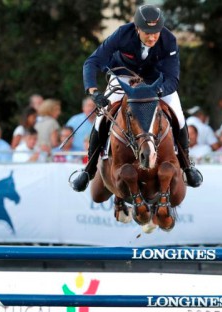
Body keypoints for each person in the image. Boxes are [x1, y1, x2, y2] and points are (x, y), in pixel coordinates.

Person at [69, 4, 202, 191]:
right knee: (101, 117)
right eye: (147, 32)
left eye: (156, 31)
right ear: (137, 28)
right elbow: (93, 61)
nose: (152, 36)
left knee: (179, 116)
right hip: (124, 77)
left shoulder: (169, 40)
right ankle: (89, 170)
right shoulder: (123, 34)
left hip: (157, 83)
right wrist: (94, 92)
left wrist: (157, 92)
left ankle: (187, 166)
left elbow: (173, 78)